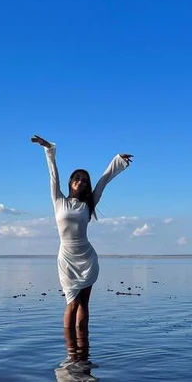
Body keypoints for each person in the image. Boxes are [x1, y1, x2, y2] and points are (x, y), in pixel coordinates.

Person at [31, 135, 133, 331]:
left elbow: (103, 181)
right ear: (71, 182)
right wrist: (48, 149)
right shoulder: (59, 200)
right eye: (77, 178)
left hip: (86, 257)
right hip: (67, 258)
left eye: (85, 180)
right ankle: (71, 354)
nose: (81, 182)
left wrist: (117, 160)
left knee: (84, 304)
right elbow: (53, 175)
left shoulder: (89, 203)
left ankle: (83, 353)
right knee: (71, 304)